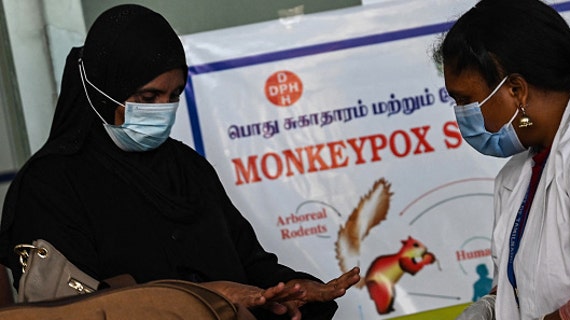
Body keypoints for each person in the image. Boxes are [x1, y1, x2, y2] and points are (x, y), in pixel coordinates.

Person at [0, 4, 360, 319]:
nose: (162, 110)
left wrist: (288, 291)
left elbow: (248, 265)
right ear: (99, 91)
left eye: (173, 96)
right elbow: (68, 308)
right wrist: (205, 296)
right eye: (147, 96)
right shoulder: (49, 187)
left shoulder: (187, 168)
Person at [433, 0, 570, 319]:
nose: (461, 115)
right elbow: (529, 280)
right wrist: (493, 304)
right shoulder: (520, 171)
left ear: (516, 90)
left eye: (465, 100)